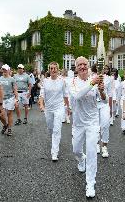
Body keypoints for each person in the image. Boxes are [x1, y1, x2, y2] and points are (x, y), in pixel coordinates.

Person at [69, 56, 105, 198]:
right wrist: (92, 83)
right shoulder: (72, 81)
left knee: (91, 152)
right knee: (76, 150)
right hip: (78, 123)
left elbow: (103, 99)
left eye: (85, 64)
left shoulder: (95, 79)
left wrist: (101, 90)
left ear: (88, 66)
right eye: (80, 65)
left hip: (92, 122)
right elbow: (77, 96)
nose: (82, 67)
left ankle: (90, 184)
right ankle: (81, 159)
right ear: (76, 67)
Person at [39, 62, 69, 161]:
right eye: (51, 68)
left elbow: (65, 95)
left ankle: (54, 152)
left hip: (59, 108)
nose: (53, 70)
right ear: (49, 70)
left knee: (57, 129)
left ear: (58, 69)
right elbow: (42, 95)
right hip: (48, 109)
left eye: (55, 68)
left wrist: (68, 107)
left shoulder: (62, 81)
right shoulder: (45, 81)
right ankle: (54, 140)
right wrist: (42, 105)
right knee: (50, 128)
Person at [96, 65, 113, 158]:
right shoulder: (91, 77)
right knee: (96, 126)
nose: (101, 70)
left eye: (103, 68)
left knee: (105, 125)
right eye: (99, 68)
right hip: (94, 105)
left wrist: (110, 108)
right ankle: (97, 144)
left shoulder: (109, 79)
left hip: (104, 104)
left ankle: (104, 146)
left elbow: (110, 94)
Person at [0, 64, 18, 136]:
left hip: (10, 98)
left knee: (9, 114)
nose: (4, 71)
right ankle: (5, 125)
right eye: (3, 69)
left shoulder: (12, 79)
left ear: (9, 70)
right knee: (0, 115)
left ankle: (9, 129)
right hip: (1, 99)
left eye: (6, 69)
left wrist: (16, 100)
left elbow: (15, 90)